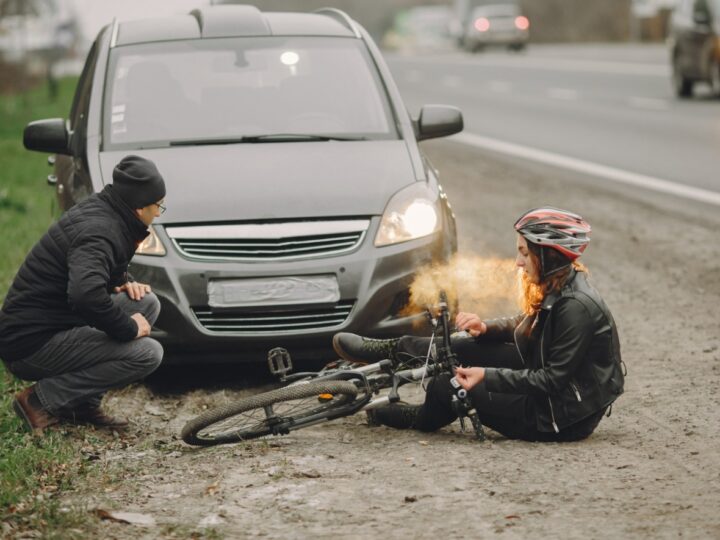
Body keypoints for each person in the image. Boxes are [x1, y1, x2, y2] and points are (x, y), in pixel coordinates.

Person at [333, 207, 625, 442]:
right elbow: (528, 324)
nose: (518, 263)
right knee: (462, 344)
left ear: (548, 255)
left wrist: (485, 376)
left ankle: (417, 416)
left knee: (445, 386)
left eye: (525, 253)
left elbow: (550, 381)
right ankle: (387, 350)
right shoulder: (560, 285)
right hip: (546, 380)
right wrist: (486, 327)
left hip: (557, 416)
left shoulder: (576, 307)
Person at [0, 155, 167, 432]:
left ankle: (81, 403)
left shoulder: (109, 212)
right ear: (139, 208)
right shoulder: (99, 230)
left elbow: (92, 269)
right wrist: (127, 328)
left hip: (54, 324)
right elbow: (84, 296)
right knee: (147, 353)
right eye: (157, 206)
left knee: (145, 303)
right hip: (30, 344)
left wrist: (121, 282)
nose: (159, 213)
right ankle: (40, 401)